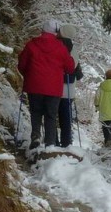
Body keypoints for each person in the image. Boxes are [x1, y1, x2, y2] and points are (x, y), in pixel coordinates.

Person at [18, 19, 75, 149]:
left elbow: (22, 64)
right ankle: (50, 143)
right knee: (51, 115)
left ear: (42, 30)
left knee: (36, 112)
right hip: (53, 88)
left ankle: (36, 136)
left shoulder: (31, 44)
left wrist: (29, 75)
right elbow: (70, 68)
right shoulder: (61, 47)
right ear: (57, 32)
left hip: (34, 85)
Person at [57, 24, 83, 147]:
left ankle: (53, 142)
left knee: (51, 117)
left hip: (54, 87)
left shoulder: (55, 45)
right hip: (69, 89)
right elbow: (76, 69)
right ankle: (66, 142)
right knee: (66, 118)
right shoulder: (74, 50)